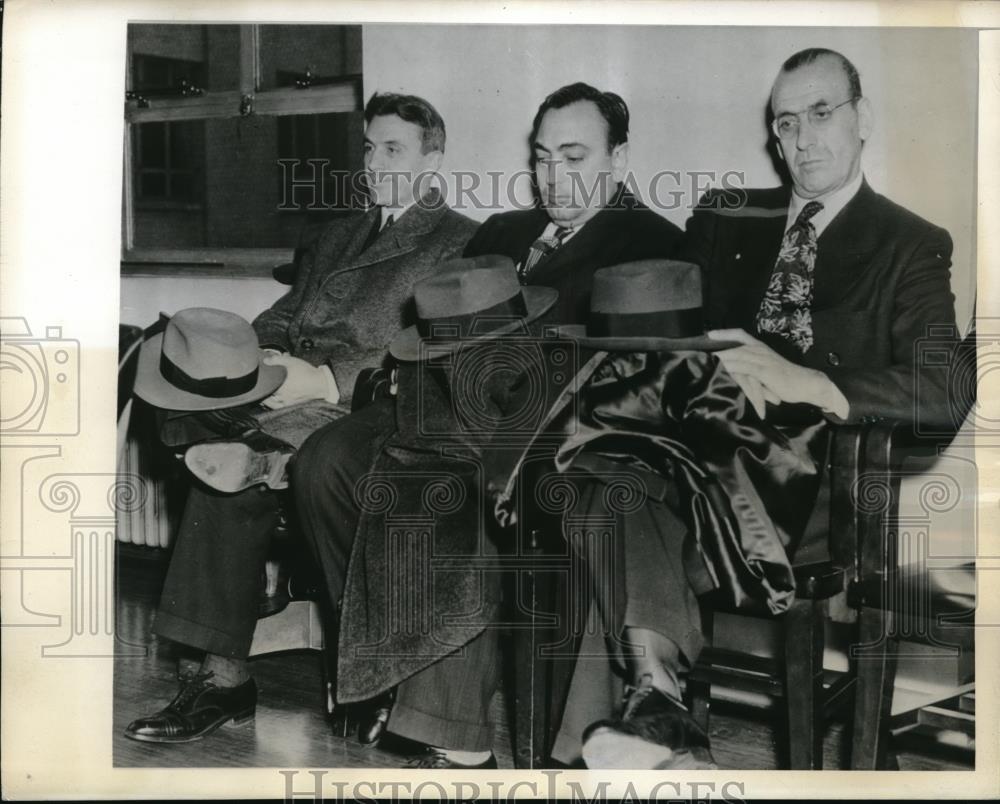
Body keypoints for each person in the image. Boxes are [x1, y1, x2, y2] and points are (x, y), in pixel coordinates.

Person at [559, 47, 961, 769]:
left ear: (862, 118)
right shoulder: (729, 217)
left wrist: (814, 384)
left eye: (821, 113)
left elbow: (944, 388)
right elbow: (664, 330)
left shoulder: (911, 244)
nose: (802, 138)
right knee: (598, 491)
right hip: (687, 449)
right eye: (785, 123)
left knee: (602, 505)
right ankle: (657, 715)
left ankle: (640, 725)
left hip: (803, 482)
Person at [292, 81, 684, 768]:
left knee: (449, 488)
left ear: (618, 160)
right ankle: (381, 655)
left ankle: (447, 716)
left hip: (532, 423)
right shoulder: (502, 231)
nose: (555, 178)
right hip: (439, 396)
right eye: (542, 158)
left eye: (575, 157)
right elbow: (432, 328)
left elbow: (639, 373)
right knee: (323, 460)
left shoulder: (653, 243)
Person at [123, 92, 477, 744]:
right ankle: (222, 677)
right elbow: (287, 313)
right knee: (190, 424)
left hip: (364, 410)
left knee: (232, 475)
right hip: (285, 395)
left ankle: (226, 678)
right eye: (369, 147)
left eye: (392, 149)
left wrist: (334, 378)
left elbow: (429, 345)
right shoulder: (338, 231)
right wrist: (261, 354)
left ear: (434, 157)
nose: (373, 163)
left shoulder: (458, 241)